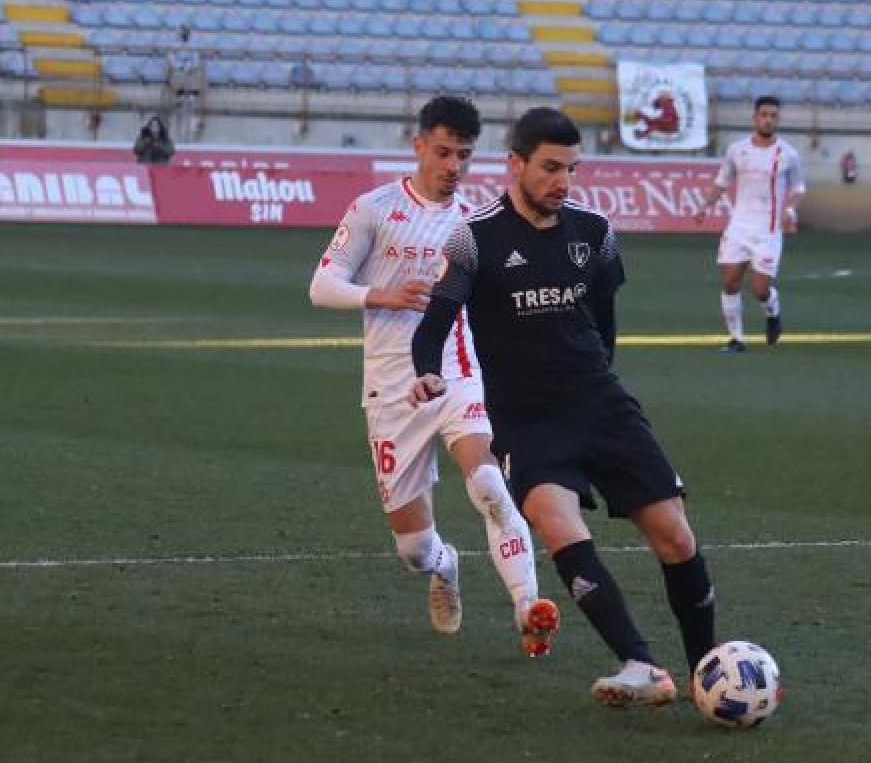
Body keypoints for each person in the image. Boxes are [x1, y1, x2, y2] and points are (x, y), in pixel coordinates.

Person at [408, 108, 717, 707]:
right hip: (527, 421)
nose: (562, 181)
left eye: (571, 169)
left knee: (676, 539)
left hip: (600, 404)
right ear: (516, 164)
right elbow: (434, 327)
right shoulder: (474, 238)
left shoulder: (595, 232)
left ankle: (709, 669)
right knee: (554, 522)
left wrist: (594, 379)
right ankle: (641, 665)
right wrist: (425, 371)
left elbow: (605, 325)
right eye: (550, 168)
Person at [309, 96, 559, 657]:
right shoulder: (373, 208)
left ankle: (529, 609)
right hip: (391, 388)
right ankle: (446, 566)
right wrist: (382, 294)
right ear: (419, 144)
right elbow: (322, 286)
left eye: (464, 155)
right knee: (413, 549)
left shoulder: (475, 225)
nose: (452, 165)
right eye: (443, 151)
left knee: (491, 486)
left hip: (454, 373)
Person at [694, 96, 805, 353]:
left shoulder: (788, 154)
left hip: (768, 230)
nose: (768, 119)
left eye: (773, 115)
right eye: (763, 114)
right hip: (739, 226)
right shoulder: (737, 150)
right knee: (731, 281)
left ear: (777, 120)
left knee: (760, 289)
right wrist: (704, 205)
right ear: (755, 118)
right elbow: (722, 182)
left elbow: (798, 188)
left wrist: (790, 209)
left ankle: (772, 311)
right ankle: (736, 339)